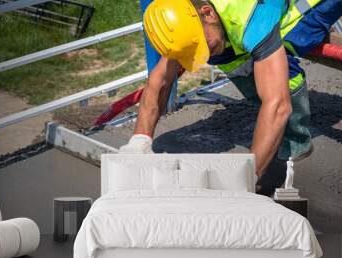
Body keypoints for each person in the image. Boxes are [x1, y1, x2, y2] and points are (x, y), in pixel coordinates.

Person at [119, 0, 342, 179]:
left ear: (208, 12)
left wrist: (247, 177)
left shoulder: (250, 23)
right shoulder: (187, 14)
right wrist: (140, 139)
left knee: (283, 60)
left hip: (304, 4)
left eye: (200, 45)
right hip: (246, 18)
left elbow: (278, 106)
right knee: (225, 53)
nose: (203, 54)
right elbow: (161, 79)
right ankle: (271, 134)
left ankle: (296, 141)